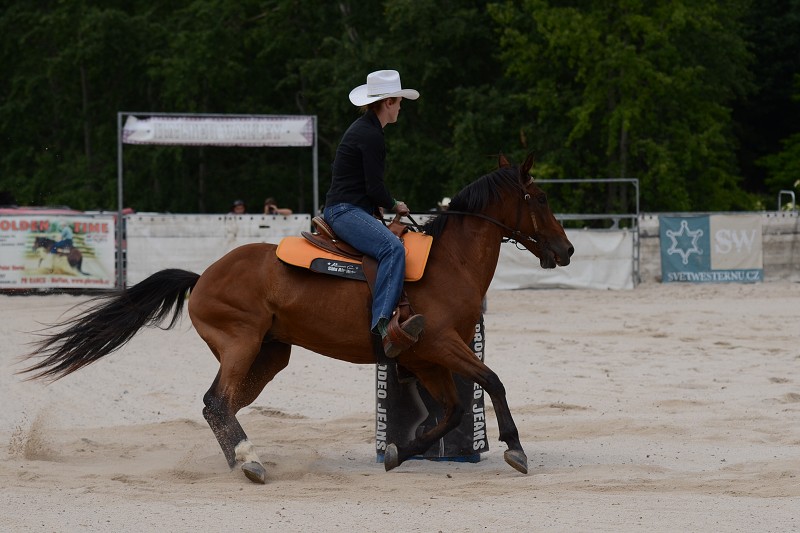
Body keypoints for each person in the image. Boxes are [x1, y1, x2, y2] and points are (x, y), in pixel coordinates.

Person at [323, 69, 425, 358]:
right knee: (393, 248)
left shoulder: (365, 129)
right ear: (388, 102)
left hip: (350, 206)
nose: (401, 107)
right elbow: (375, 186)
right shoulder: (370, 135)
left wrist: (381, 202)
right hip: (345, 210)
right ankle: (383, 327)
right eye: (399, 102)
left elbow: (364, 185)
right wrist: (394, 204)